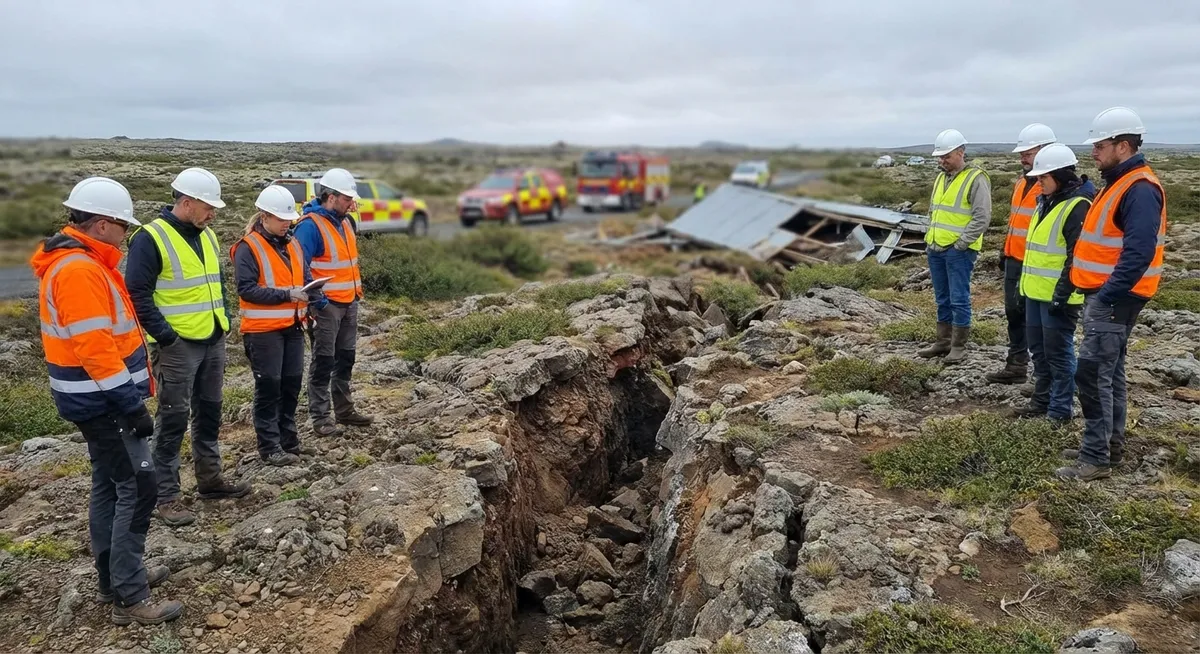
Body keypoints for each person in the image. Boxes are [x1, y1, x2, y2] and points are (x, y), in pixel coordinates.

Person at [32, 177, 183, 625]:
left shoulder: (84, 262)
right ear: (100, 225)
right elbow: (95, 347)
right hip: (104, 403)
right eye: (122, 225)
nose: (127, 233)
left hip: (96, 400)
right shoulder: (79, 270)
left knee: (110, 485)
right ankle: (130, 597)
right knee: (138, 487)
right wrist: (130, 404)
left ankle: (115, 578)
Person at [126, 167, 250, 527]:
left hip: (212, 339)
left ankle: (210, 480)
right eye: (208, 206)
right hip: (177, 346)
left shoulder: (207, 235)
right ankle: (165, 494)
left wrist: (223, 320)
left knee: (209, 411)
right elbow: (137, 294)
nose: (213, 213)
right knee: (173, 419)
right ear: (187, 201)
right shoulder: (150, 237)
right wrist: (165, 337)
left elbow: (216, 285)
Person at [1057, 107, 1166, 482]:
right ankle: (1108, 444)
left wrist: (1106, 297)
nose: (1093, 153)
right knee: (1109, 371)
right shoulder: (1119, 181)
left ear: (1123, 145)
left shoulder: (1139, 188)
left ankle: (1095, 457)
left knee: (1092, 372)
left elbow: (1139, 252)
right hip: (1108, 295)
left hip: (1114, 298)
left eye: (1100, 145)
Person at [232, 186, 324, 465]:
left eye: (289, 219)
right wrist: (287, 295)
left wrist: (314, 293)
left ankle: (289, 440)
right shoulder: (248, 247)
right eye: (282, 219)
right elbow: (246, 289)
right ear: (264, 217)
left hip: (293, 327)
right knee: (269, 388)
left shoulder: (293, 244)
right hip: (263, 333)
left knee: (290, 385)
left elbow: (304, 275)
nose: (287, 223)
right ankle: (269, 446)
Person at [1009, 144, 1091, 424]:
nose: (1038, 181)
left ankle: (1059, 412)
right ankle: (1041, 402)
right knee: (1039, 353)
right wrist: (1023, 289)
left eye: (1043, 177)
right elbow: (1035, 252)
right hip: (1034, 293)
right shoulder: (1045, 201)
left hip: (1059, 298)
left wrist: (1062, 294)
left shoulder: (1078, 206)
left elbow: (1075, 257)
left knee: (1058, 355)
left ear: (1062, 175)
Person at [292, 168, 375, 436]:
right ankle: (320, 417)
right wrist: (319, 301)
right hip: (326, 307)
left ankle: (344, 410)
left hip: (349, 301)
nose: (353, 204)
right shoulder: (309, 226)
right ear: (331, 196)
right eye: (347, 198)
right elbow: (299, 267)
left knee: (346, 358)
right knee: (324, 361)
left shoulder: (346, 222)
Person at [986, 123, 1057, 385]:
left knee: (1041, 321)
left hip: (1040, 265)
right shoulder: (1021, 183)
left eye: (1029, 152)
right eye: (1022, 153)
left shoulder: (1052, 186)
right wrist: (1005, 251)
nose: (1023, 157)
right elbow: (1016, 222)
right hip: (1015, 259)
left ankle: (1044, 378)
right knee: (1014, 313)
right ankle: (1016, 365)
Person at [918, 129, 992, 363]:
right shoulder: (941, 177)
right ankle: (943, 342)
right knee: (942, 297)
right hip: (936, 247)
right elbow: (934, 210)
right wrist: (930, 238)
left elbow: (982, 216)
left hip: (958, 251)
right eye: (939, 156)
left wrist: (961, 244)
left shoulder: (976, 178)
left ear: (961, 152)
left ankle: (958, 345)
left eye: (946, 156)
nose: (942, 161)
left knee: (959, 298)